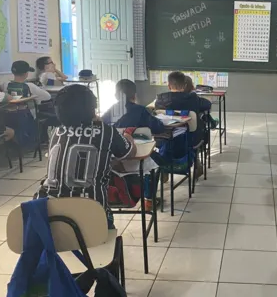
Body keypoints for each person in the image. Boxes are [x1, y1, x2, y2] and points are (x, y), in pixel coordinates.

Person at [37, 85, 133, 229]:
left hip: (50, 218)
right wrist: (128, 136)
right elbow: (127, 153)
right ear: (93, 109)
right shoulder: (106, 132)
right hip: (92, 216)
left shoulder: (56, 133)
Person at [102, 79, 165, 211]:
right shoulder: (140, 110)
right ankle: (149, 199)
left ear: (115, 96)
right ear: (134, 95)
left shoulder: (110, 111)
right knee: (158, 161)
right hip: (138, 156)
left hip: (114, 159)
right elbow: (158, 128)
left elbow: (103, 126)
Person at [155, 71, 211, 178]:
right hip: (190, 140)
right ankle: (197, 162)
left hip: (164, 140)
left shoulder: (160, 100)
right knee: (201, 128)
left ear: (168, 85)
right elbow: (207, 104)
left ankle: (164, 168)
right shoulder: (192, 98)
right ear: (185, 85)